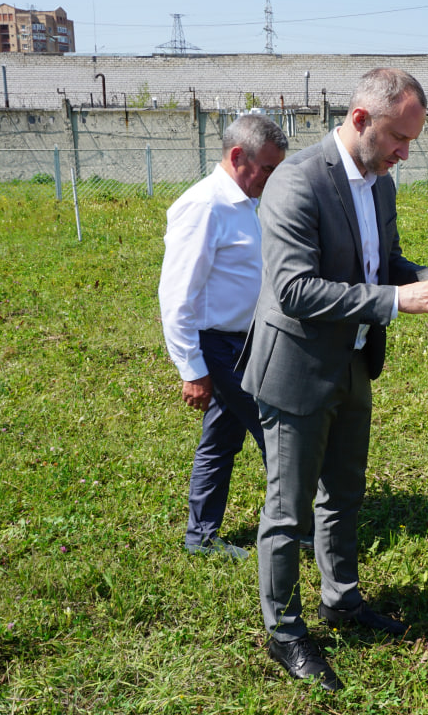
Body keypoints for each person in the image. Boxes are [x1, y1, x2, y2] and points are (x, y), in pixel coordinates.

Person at [242, 68, 428, 691]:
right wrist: (397, 300)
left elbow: (381, 263)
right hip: (296, 368)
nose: (404, 154)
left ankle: (340, 600)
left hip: (354, 360)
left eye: (411, 141)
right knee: (287, 510)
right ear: (361, 119)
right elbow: (294, 289)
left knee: (344, 493)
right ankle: (284, 630)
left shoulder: (380, 184)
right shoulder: (297, 180)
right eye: (398, 138)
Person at [158, 113, 288, 560]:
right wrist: (192, 369)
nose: (272, 178)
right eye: (267, 168)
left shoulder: (246, 202)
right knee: (278, 435)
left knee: (220, 441)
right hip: (222, 346)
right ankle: (290, 530)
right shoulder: (204, 207)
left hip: (248, 341)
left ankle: (201, 537)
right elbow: (177, 296)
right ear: (237, 156)